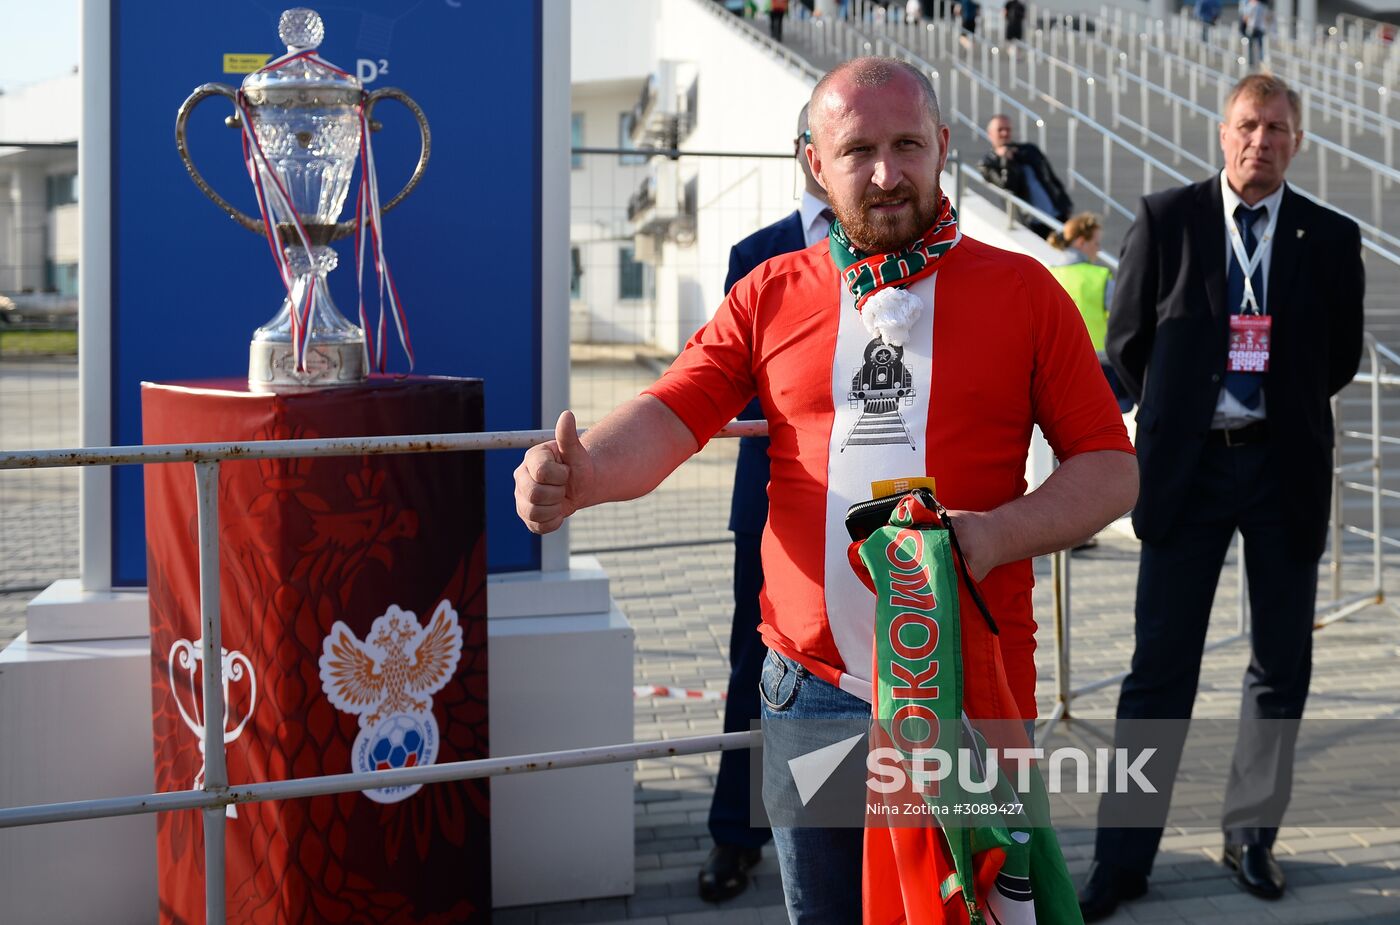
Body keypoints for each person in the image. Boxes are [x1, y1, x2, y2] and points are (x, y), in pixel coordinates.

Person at [516, 57, 1137, 921]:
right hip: (812, 692)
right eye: (859, 150)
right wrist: (585, 474)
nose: (886, 173)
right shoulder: (768, 291)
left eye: (908, 145)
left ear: (945, 149)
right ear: (816, 162)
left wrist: (992, 536)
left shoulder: (1025, 292)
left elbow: (1110, 467)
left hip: (970, 688)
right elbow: (672, 413)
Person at [1080, 73, 1365, 921]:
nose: (1261, 141)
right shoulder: (1169, 219)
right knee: (1158, 670)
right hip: (1188, 472)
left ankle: (1251, 837)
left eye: (1279, 129)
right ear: (1221, 131)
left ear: (1298, 140)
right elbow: (1127, 341)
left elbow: (1338, 358)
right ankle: (1123, 857)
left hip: (1284, 469)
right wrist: (1184, 412)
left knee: (1280, 665)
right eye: (1249, 125)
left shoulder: (1330, 233)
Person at [698, 103, 833, 905]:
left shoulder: (915, 252)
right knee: (758, 669)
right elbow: (730, 376)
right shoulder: (758, 255)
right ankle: (736, 832)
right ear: (806, 153)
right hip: (778, 505)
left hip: (886, 505)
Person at [1046, 213, 1133, 414]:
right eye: (1096, 243)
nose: (1099, 249)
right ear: (1081, 242)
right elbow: (1124, 317)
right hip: (1099, 367)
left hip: (1059, 367)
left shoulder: (1049, 275)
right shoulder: (1099, 277)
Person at [979, 114, 1073, 239]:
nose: (1004, 133)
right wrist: (1005, 160)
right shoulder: (988, 163)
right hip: (1032, 222)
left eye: (1008, 129)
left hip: (1057, 215)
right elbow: (1007, 187)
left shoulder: (1029, 150)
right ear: (990, 134)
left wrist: (1065, 203)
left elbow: (1050, 177)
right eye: (1000, 130)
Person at [1240, 0, 1272, 69]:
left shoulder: (1249, 6)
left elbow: (1245, 18)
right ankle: (1262, 62)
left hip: (1251, 28)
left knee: (1249, 47)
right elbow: (1267, 18)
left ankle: (1250, 62)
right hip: (1261, 28)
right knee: (1261, 47)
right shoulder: (1263, 6)